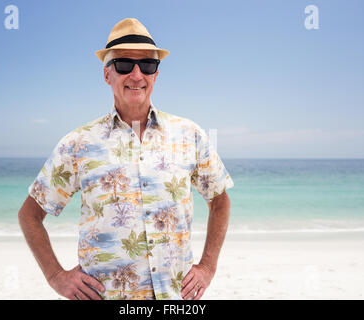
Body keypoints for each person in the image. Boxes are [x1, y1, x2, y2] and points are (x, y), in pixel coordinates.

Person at [18, 18, 233, 300]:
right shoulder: (77, 143)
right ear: (107, 75)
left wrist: (207, 267)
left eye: (147, 65)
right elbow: (30, 215)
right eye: (123, 65)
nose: (136, 75)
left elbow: (219, 200)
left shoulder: (189, 134)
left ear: (156, 75)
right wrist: (56, 276)